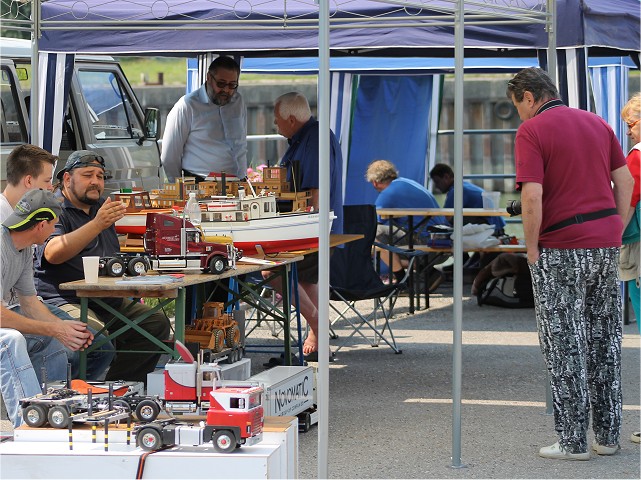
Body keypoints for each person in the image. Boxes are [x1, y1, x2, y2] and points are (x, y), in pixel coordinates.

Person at [507, 67, 634, 460]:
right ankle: (609, 437)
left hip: (559, 245)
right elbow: (625, 182)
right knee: (604, 340)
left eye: (518, 107)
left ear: (529, 97)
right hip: (603, 243)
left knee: (564, 343)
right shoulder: (597, 123)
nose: (519, 115)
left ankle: (573, 441)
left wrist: (530, 250)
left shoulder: (532, 131)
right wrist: (615, 227)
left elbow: (532, 197)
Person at [34, 150, 171, 383]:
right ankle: (72, 396)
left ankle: (117, 388)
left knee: (154, 324)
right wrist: (97, 224)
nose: (96, 182)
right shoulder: (54, 207)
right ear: (67, 179)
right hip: (65, 299)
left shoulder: (100, 208)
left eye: (100, 176)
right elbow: (53, 253)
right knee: (96, 340)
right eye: (88, 175)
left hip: (106, 297)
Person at [1, 189, 104, 427]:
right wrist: (55, 329)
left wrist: (64, 328)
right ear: (42, 224)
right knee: (12, 340)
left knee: (54, 339)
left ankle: (51, 413)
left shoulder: (24, 247)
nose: (54, 231)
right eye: (54, 224)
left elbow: (29, 302)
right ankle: (26, 422)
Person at [264, 92, 343, 358]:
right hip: (316, 227)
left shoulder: (313, 140)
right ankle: (318, 341)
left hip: (310, 228)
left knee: (272, 271)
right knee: (307, 280)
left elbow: (315, 193)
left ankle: (318, 325)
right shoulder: (310, 136)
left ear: (291, 118)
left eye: (277, 121)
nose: (276, 127)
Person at [161, 56, 247, 182]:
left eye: (232, 85)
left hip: (238, 181)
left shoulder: (238, 101)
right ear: (208, 78)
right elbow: (169, 156)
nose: (226, 90)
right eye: (221, 83)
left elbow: (241, 143)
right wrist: (179, 188)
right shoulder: (186, 106)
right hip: (200, 182)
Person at [365, 159, 447, 287]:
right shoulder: (407, 183)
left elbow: (372, 223)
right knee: (389, 241)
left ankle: (403, 281)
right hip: (443, 240)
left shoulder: (387, 193)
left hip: (428, 243)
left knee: (375, 235)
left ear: (375, 183)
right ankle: (429, 273)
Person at [429, 163, 506, 235]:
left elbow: (446, 217)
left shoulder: (456, 191)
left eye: (437, 182)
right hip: (497, 226)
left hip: (490, 230)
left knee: (452, 225)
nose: (436, 187)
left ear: (446, 177)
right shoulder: (464, 185)